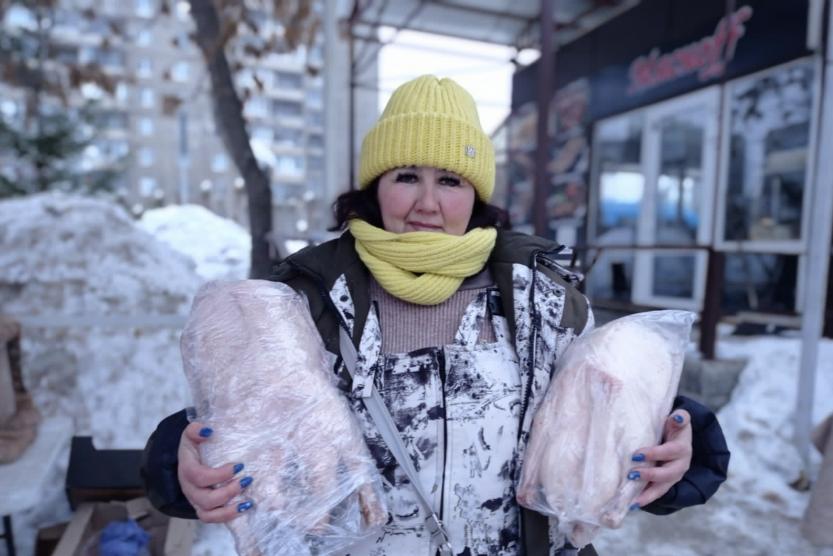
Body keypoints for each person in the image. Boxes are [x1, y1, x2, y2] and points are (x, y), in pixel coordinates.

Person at [142, 75, 730, 555]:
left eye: (450, 180)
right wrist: (183, 462)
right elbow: (239, 421)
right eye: (407, 177)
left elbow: (606, 417)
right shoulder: (306, 299)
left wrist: (674, 446)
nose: (427, 203)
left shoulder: (542, 298)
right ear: (376, 187)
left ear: (476, 194)